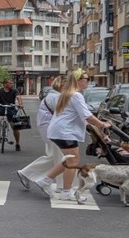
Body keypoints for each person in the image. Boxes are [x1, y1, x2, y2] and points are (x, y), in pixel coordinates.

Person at [43, 70, 112, 201]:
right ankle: (66, 192)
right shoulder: (75, 95)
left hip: (59, 131)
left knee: (69, 160)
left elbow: (80, 116)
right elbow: (87, 116)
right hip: (65, 132)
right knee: (73, 162)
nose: (88, 81)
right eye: (86, 78)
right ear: (78, 80)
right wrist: (103, 125)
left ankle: (45, 181)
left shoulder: (67, 94)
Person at [18, 73, 67, 192]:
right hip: (54, 131)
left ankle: (26, 173)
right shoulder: (55, 97)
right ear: (61, 85)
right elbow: (65, 114)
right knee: (61, 158)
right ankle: (59, 185)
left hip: (50, 130)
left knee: (54, 157)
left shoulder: (53, 96)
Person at [0, 79, 22, 149]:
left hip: (11, 108)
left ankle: (17, 144)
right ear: (5, 84)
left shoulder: (14, 90)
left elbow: (18, 97)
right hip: (1, 107)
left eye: (12, 83)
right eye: (10, 83)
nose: (12, 84)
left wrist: (20, 104)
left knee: (15, 127)